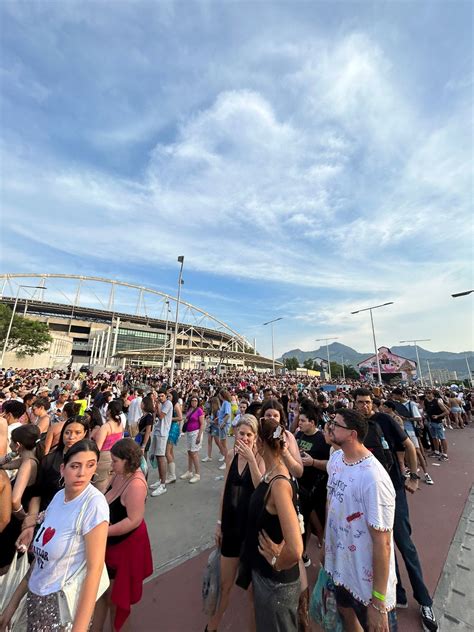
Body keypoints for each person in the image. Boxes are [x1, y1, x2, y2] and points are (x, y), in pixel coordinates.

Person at [0, 439, 109, 632]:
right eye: (75, 466)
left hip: (61, 606)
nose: (82, 473)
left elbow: (95, 570)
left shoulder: (94, 506)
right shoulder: (59, 498)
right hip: (36, 600)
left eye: (90, 465)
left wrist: (79, 628)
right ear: (62, 469)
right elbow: (41, 560)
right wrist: (13, 603)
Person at [353, 388, 438, 632]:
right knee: (382, 545)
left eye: (367, 402)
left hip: (393, 491)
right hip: (368, 496)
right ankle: (397, 592)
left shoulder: (385, 420)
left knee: (403, 543)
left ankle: (424, 600)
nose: (364, 406)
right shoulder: (354, 427)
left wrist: (413, 477)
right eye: (359, 402)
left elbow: (410, 447)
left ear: (373, 403)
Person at [324, 408, 397, 631]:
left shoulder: (373, 478)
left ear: (352, 434)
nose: (330, 427)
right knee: (346, 614)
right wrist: (327, 547)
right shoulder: (336, 459)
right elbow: (332, 504)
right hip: (341, 566)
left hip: (367, 583)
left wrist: (378, 602)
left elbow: (383, 543)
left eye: (335, 425)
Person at [237, 414, 303, 631]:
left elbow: (295, 548)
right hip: (264, 573)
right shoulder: (271, 474)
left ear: (260, 442)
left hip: (276, 582)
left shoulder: (279, 484)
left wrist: (277, 562)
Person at [206, 415, 265, 632]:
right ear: (236, 434)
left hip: (251, 530)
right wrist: (219, 523)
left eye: (250, 434)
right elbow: (225, 491)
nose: (245, 438)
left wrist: (251, 459)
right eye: (242, 433)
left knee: (251, 590)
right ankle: (212, 626)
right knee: (224, 584)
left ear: (255, 437)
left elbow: (262, 490)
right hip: (231, 526)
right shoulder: (231, 455)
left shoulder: (259, 458)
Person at [92, 439, 152, 632]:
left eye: (115, 461)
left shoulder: (136, 484)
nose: (112, 464)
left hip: (125, 548)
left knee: (116, 601)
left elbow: (133, 520)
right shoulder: (119, 474)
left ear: (127, 461)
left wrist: (102, 531)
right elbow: (105, 496)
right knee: (102, 594)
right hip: (111, 545)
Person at [295, 400, 330, 565]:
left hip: (316, 488)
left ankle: (315, 546)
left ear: (312, 423)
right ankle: (302, 552)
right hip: (299, 485)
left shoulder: (322, 440)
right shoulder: (298, 435)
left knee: (310, 519)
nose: (299, 423)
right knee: (303, 520)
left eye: (302, 421)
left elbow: (330, 466)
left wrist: (313, 462)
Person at [94, 400, 124, 493]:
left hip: (104, 458)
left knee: (99, 487)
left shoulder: (106, 427)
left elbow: (98, 447)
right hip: (116, 456)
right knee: (110, 485)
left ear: (109, 411)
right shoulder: (120, 424)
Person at [149, 390, 173, 497]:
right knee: (157, 457)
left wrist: (157, 405)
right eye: (159, 396)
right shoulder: (161, 404)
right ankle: (160, 480)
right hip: (157, 431)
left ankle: (163, 484)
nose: (160, 398)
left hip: (163, 433)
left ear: (166, 396)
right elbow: (155, 415)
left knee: (161, 456)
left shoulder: (168, 404)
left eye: (162, 396)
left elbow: (161, 416)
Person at [180, 396, 205, 483]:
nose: (194, 402)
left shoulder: (199, 410)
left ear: (198, 402)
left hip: (196, 432)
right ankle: (189, 471)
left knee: (194, 453)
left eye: (195, 400)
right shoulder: (189, 410)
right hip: (189, 433)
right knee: (189, 452)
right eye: (192, 400)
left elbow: (202, 424)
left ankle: (197, 474)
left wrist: (199, 436)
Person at [423, 391, 449, 460]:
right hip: (430, 422)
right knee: (434, 437)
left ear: (433, 395)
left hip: (438, 422)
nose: (428, 395)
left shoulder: (437, 402)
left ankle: (445, 454)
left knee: (442, 438)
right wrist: (425, 414)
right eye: (427, 393)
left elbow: (447, 412)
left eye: (429, 393)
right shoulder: (426, 402)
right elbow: (425, 410)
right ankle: (436, 452)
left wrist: (438, 416)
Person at [165, 390, 182, 485]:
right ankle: (170, 472)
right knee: (170, 452)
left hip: (173, 428)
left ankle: (172, 475)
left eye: (169, 396)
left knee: (167, 452)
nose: (167, 398)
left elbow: (180, 417)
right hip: (170, 427)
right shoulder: (171, 404)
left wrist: (169, 418)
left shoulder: (175, 405)